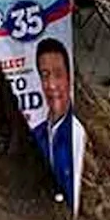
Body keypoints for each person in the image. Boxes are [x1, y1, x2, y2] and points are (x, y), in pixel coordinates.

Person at [32, 38, 83, 210]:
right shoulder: (38, 133)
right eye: (45, 75)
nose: (51, 85)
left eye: (58, 74)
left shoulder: (77, 133)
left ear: (70, 78)